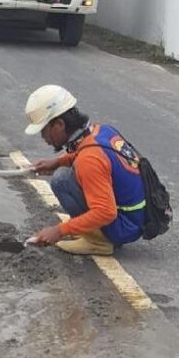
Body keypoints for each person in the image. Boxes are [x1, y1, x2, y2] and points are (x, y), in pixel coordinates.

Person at [26, 85, 146, 256]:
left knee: (62, 180)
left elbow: (105, 212)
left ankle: (99, 242)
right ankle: (96, 231)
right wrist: (58, 162)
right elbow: (89, 156)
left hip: (124, 226)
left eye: (44, 131)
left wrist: (59, 231)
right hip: (135, 217)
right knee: (63, 171)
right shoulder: (101, 131)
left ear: (59, 124)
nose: (43, 138)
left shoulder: (89, 159)